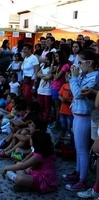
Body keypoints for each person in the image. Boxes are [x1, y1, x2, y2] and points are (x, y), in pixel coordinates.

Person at [62, 50, 99, 191]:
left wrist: (73, 78)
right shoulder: (86, 75)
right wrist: (75, 78)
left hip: (84, 115)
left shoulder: (94, 77)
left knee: (82, 149)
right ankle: (78, 172)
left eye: (80, 63)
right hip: (78, 114)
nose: (77, 66)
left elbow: (78, 94)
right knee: (78, 147)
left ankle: (82, 180)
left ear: (89, 63)